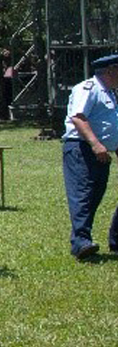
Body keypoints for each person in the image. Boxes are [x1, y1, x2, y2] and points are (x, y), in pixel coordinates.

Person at [60, 53, 118, 260]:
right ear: (110, 70)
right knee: (83, 195)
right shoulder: (88, 88)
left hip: (100, 151)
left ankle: (104, 240)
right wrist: (95, 144)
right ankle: (81, 243)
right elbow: (78, 117)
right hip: (82, 149)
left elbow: (109, 125)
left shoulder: (109, 93)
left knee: (95, 195)